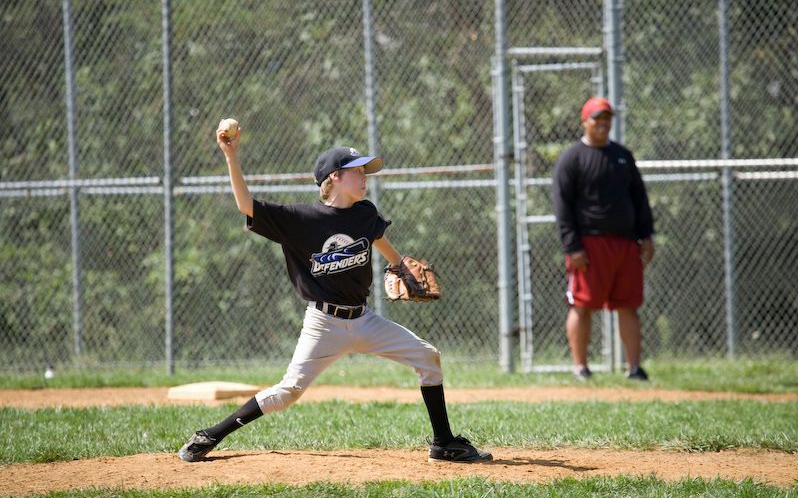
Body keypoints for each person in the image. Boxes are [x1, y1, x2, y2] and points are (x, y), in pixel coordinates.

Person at [178, 124, 492, 464]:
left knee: (427, 357)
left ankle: (443, 443)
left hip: (364, 319)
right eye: (357, 171)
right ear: (335, 177)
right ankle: (211, 434)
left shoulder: (365, 213)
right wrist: (231, 155)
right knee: (288, 392)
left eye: (365, 171)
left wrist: (400, 265)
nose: (364, 177)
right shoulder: (300, 219)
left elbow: (379, 239)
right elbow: (246, 204)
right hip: (323, 323)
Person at [551, 97, 655, 381]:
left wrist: (646, 235)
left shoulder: (622, 156)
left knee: (628, 305)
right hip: (589, 245)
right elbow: (562, 205)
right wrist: (572, 246)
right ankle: (580, 367)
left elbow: (639, 199)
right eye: (597, 118)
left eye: (607, 118)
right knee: (582, 305)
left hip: (626, 244)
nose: (603, 123)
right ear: (584, 121)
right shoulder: (572, 158)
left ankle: (634, 368)